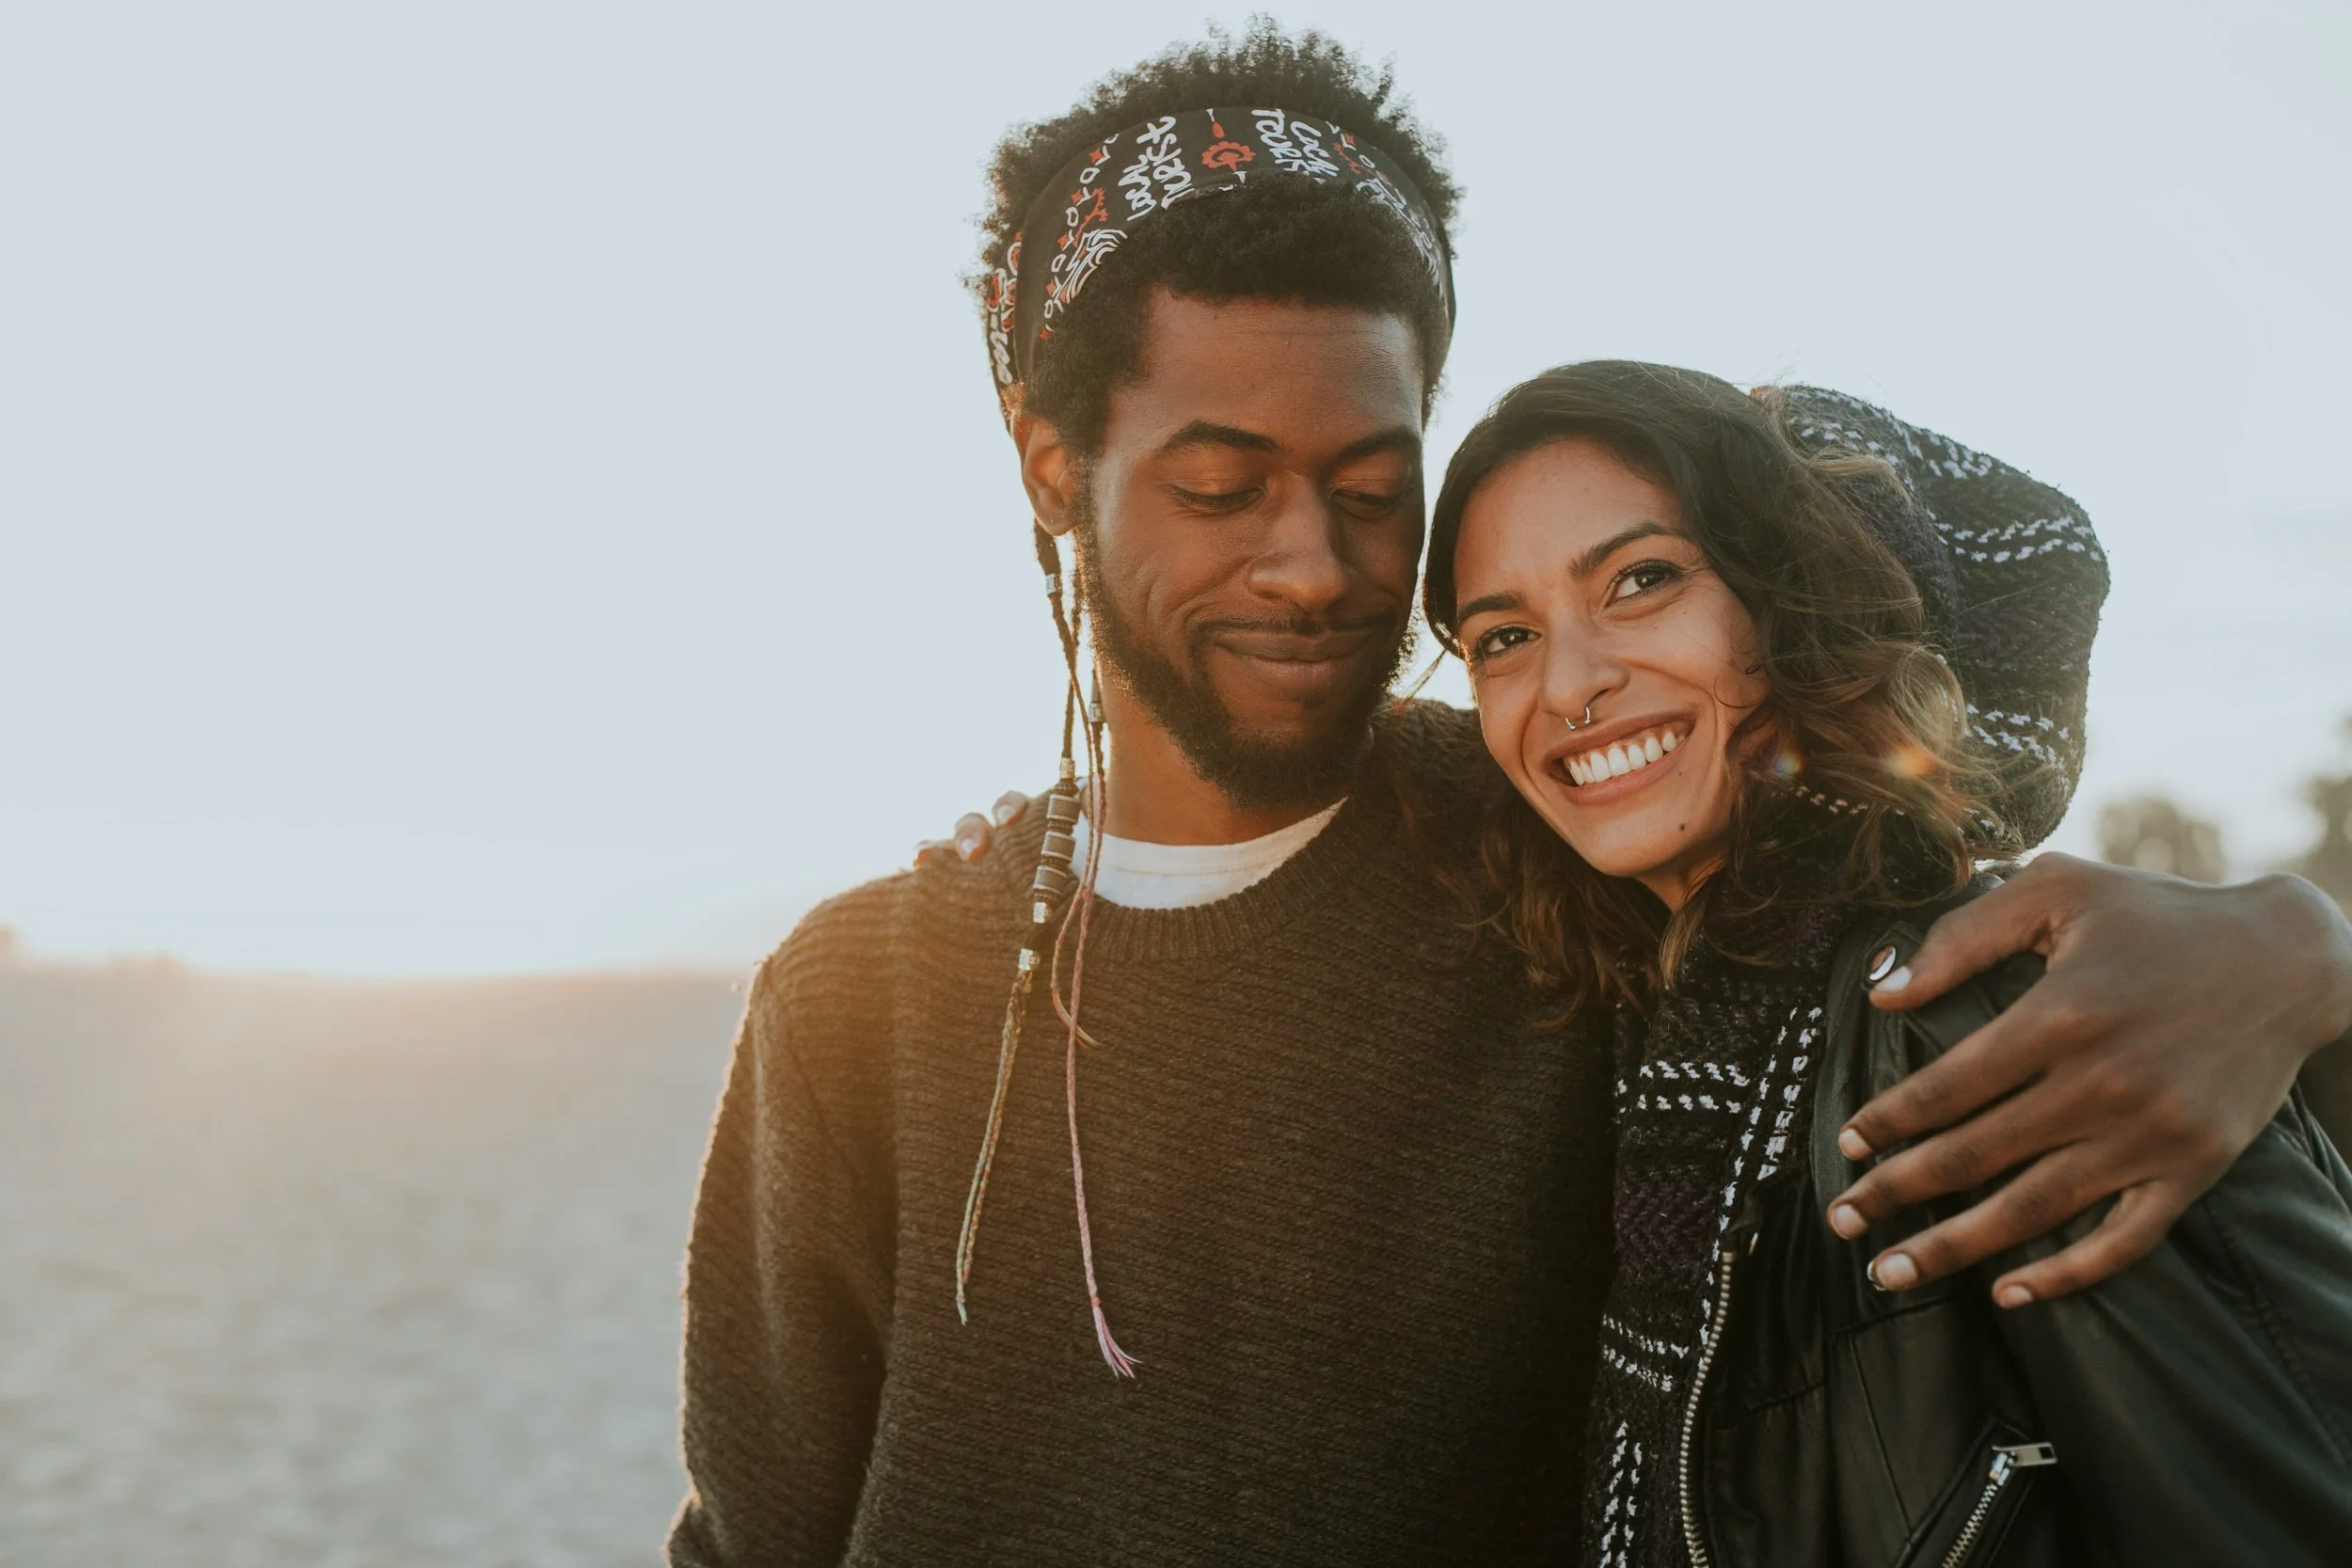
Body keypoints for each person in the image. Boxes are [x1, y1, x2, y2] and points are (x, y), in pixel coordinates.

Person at [671, 26, 2352, 1566]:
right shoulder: (854, 998)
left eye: (1370, 484)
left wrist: (2296, 950)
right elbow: (754, 1538)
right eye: (1215, 483)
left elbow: (1888, 839)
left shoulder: (1550, 852)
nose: (1313, 565)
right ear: (1055, 468)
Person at [1427, 358, 2352, 1565]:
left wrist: (2305, 939)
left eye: (1641, 580)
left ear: (1790, 599)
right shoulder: (1618, 1047)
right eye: (1503, 635)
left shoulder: (1992, 1015)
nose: (1569, 683)